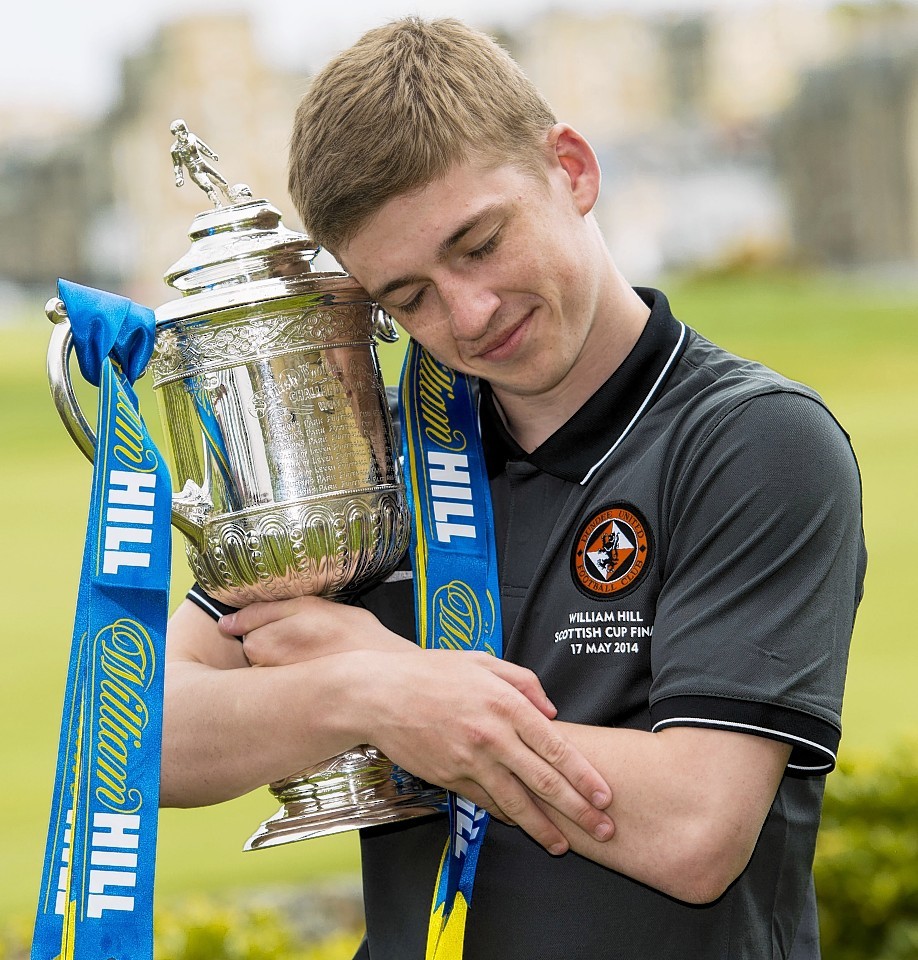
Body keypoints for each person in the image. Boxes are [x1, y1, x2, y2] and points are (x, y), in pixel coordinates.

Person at [160, 17, 867, 960]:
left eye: (480, 243)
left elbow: (697, 827)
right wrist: (363, 694)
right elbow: (136, 733)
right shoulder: (379, 460)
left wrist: (413, 694)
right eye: (407, 298)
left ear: (570, 168)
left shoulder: (752, 440)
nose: (468, 313)